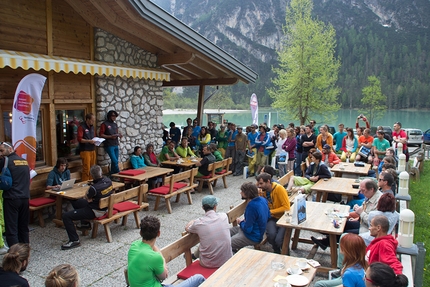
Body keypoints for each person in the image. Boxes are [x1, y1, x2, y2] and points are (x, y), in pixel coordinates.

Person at [128, 216, 205, 287]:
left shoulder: (134, 246)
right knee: (199, 278)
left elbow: (150, 247)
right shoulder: (155, 257)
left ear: (140, 232)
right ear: (159, 233)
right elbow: (164, 276)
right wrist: (163, 259)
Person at [312, 179, 381, 249]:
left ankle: (326, 241)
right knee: (343, 224)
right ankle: (326, 239)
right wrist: (355, 213)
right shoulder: (370, 195)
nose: (361, 192)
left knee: (345, 233)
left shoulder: (379, 201)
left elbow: (373, 222)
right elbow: (364, 208)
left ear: (371, 189)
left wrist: (360, 213)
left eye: (363, 190)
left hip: (368, 229)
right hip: (362, 223)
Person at [61, 165, 113, 250]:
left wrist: (91, 195)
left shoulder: (93, 188)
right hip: (105, 208)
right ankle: (85, 224)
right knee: (76, 201)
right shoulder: (108, 181)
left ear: (91, 175)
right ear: (101, 173)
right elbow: (89, 200)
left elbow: (87, 197)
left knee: (66, 216)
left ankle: (74, 240)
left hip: (95, 211)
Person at [185, 196, 232, 268]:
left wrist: (192, 221)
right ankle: (195, 255)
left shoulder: (199, 223)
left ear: (203, 208)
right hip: (227, 259)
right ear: (215, 207)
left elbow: (187, 228)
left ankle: (195, 255)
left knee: (207, 240)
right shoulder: (224, 216)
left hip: (208, 263)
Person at [0, 142, 30, 247]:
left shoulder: (5, 161)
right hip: (25, 198)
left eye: (2, 150)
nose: (1, 153)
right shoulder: (24, 162)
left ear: (10, 149)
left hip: (11, 198)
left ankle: (15, 255)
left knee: (11, 228)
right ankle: (25, 252)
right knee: (23, 227)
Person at [230, 182, 270, 252]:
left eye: (242, 191)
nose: (240, 193)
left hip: (253, 236)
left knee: (228, 243)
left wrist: (241, 222)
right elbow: (268, 215)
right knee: (227, 232)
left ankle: (235, 258)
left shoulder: (251, 206)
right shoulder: (262, 199)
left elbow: (248, 229)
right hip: (259, 231)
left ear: (247, 194)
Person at [257, 173, 290, 254]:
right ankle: (277, 251)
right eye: (258, 184)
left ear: (268, 181)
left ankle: (286, 253)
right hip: (271, 218)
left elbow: (286, 207)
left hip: (283, 217)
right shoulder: (263, 192)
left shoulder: (279, 189)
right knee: (271, 235)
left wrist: (270, 212)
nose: (259, 186)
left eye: (261, 183)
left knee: (279, 240)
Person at [99, 110, 122, 175]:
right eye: (113, 116)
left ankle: (112, 174)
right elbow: (101, 134)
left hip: (115, 144)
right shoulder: (104, 124)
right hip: (109, 145)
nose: (114, 117)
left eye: (115, 116)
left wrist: (119, 135)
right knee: (115, 161)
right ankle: (118, 173)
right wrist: (110, 137)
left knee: (114, 161)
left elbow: (116, 133)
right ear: (109, 116)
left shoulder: (115, 124)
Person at [77, 113, 97, 181]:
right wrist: (88, 141)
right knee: (86, 168)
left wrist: (96, 141)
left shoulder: (92, 127)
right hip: (85, 150)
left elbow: (94, 136)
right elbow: (80, 139)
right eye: (92, 120)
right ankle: (85, 182)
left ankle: (92, 181)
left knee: (92, 168)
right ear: (88, 119)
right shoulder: (81, 127)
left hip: (92, 149)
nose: (93, 122)